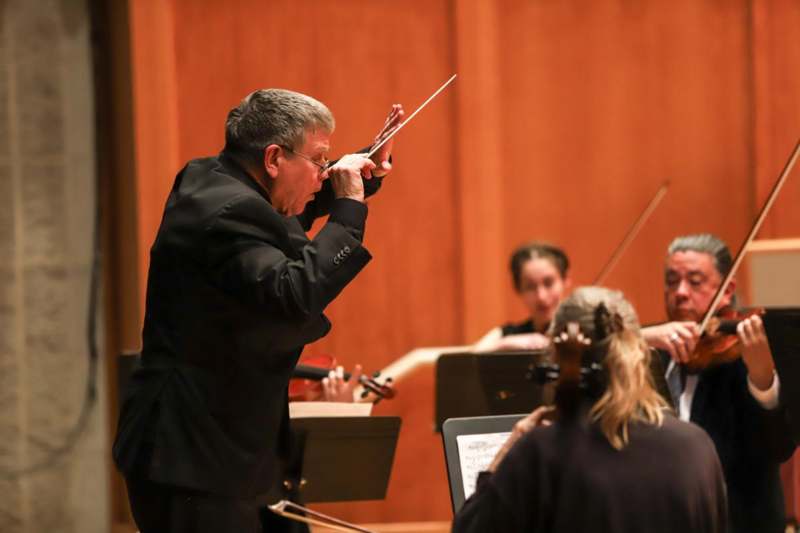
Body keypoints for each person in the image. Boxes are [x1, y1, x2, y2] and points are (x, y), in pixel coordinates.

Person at [112, 88, 404, 533]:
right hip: (192, 457)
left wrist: (360, 172)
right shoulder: (226, 211)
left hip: (226, 453)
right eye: (320, 161)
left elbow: (284, 212)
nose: (324, 172)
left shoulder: (216, 179)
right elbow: (294, 294)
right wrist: (349, 210)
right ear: (273, 158)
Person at [452, 287, 728, 533]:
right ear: (640, 355)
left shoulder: (542, 453)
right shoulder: (696, 445)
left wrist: (508, 451)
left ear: (556, 356)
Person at [641, 233, 795, 533]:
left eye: (695, 281)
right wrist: (643, 336)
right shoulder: (653, 355)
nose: (680, 292)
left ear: (728, 291)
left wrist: (762, 379)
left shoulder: (742, 359)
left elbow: (779, 447)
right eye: (672, 281)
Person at [473, 242, 571, 352]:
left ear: (565, 280)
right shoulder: (507, 334)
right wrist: (504, 343)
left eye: (548, 283)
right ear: (518, 289)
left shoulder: (583, 329)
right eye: (530, 287)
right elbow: (474, 356)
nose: (541, 297)